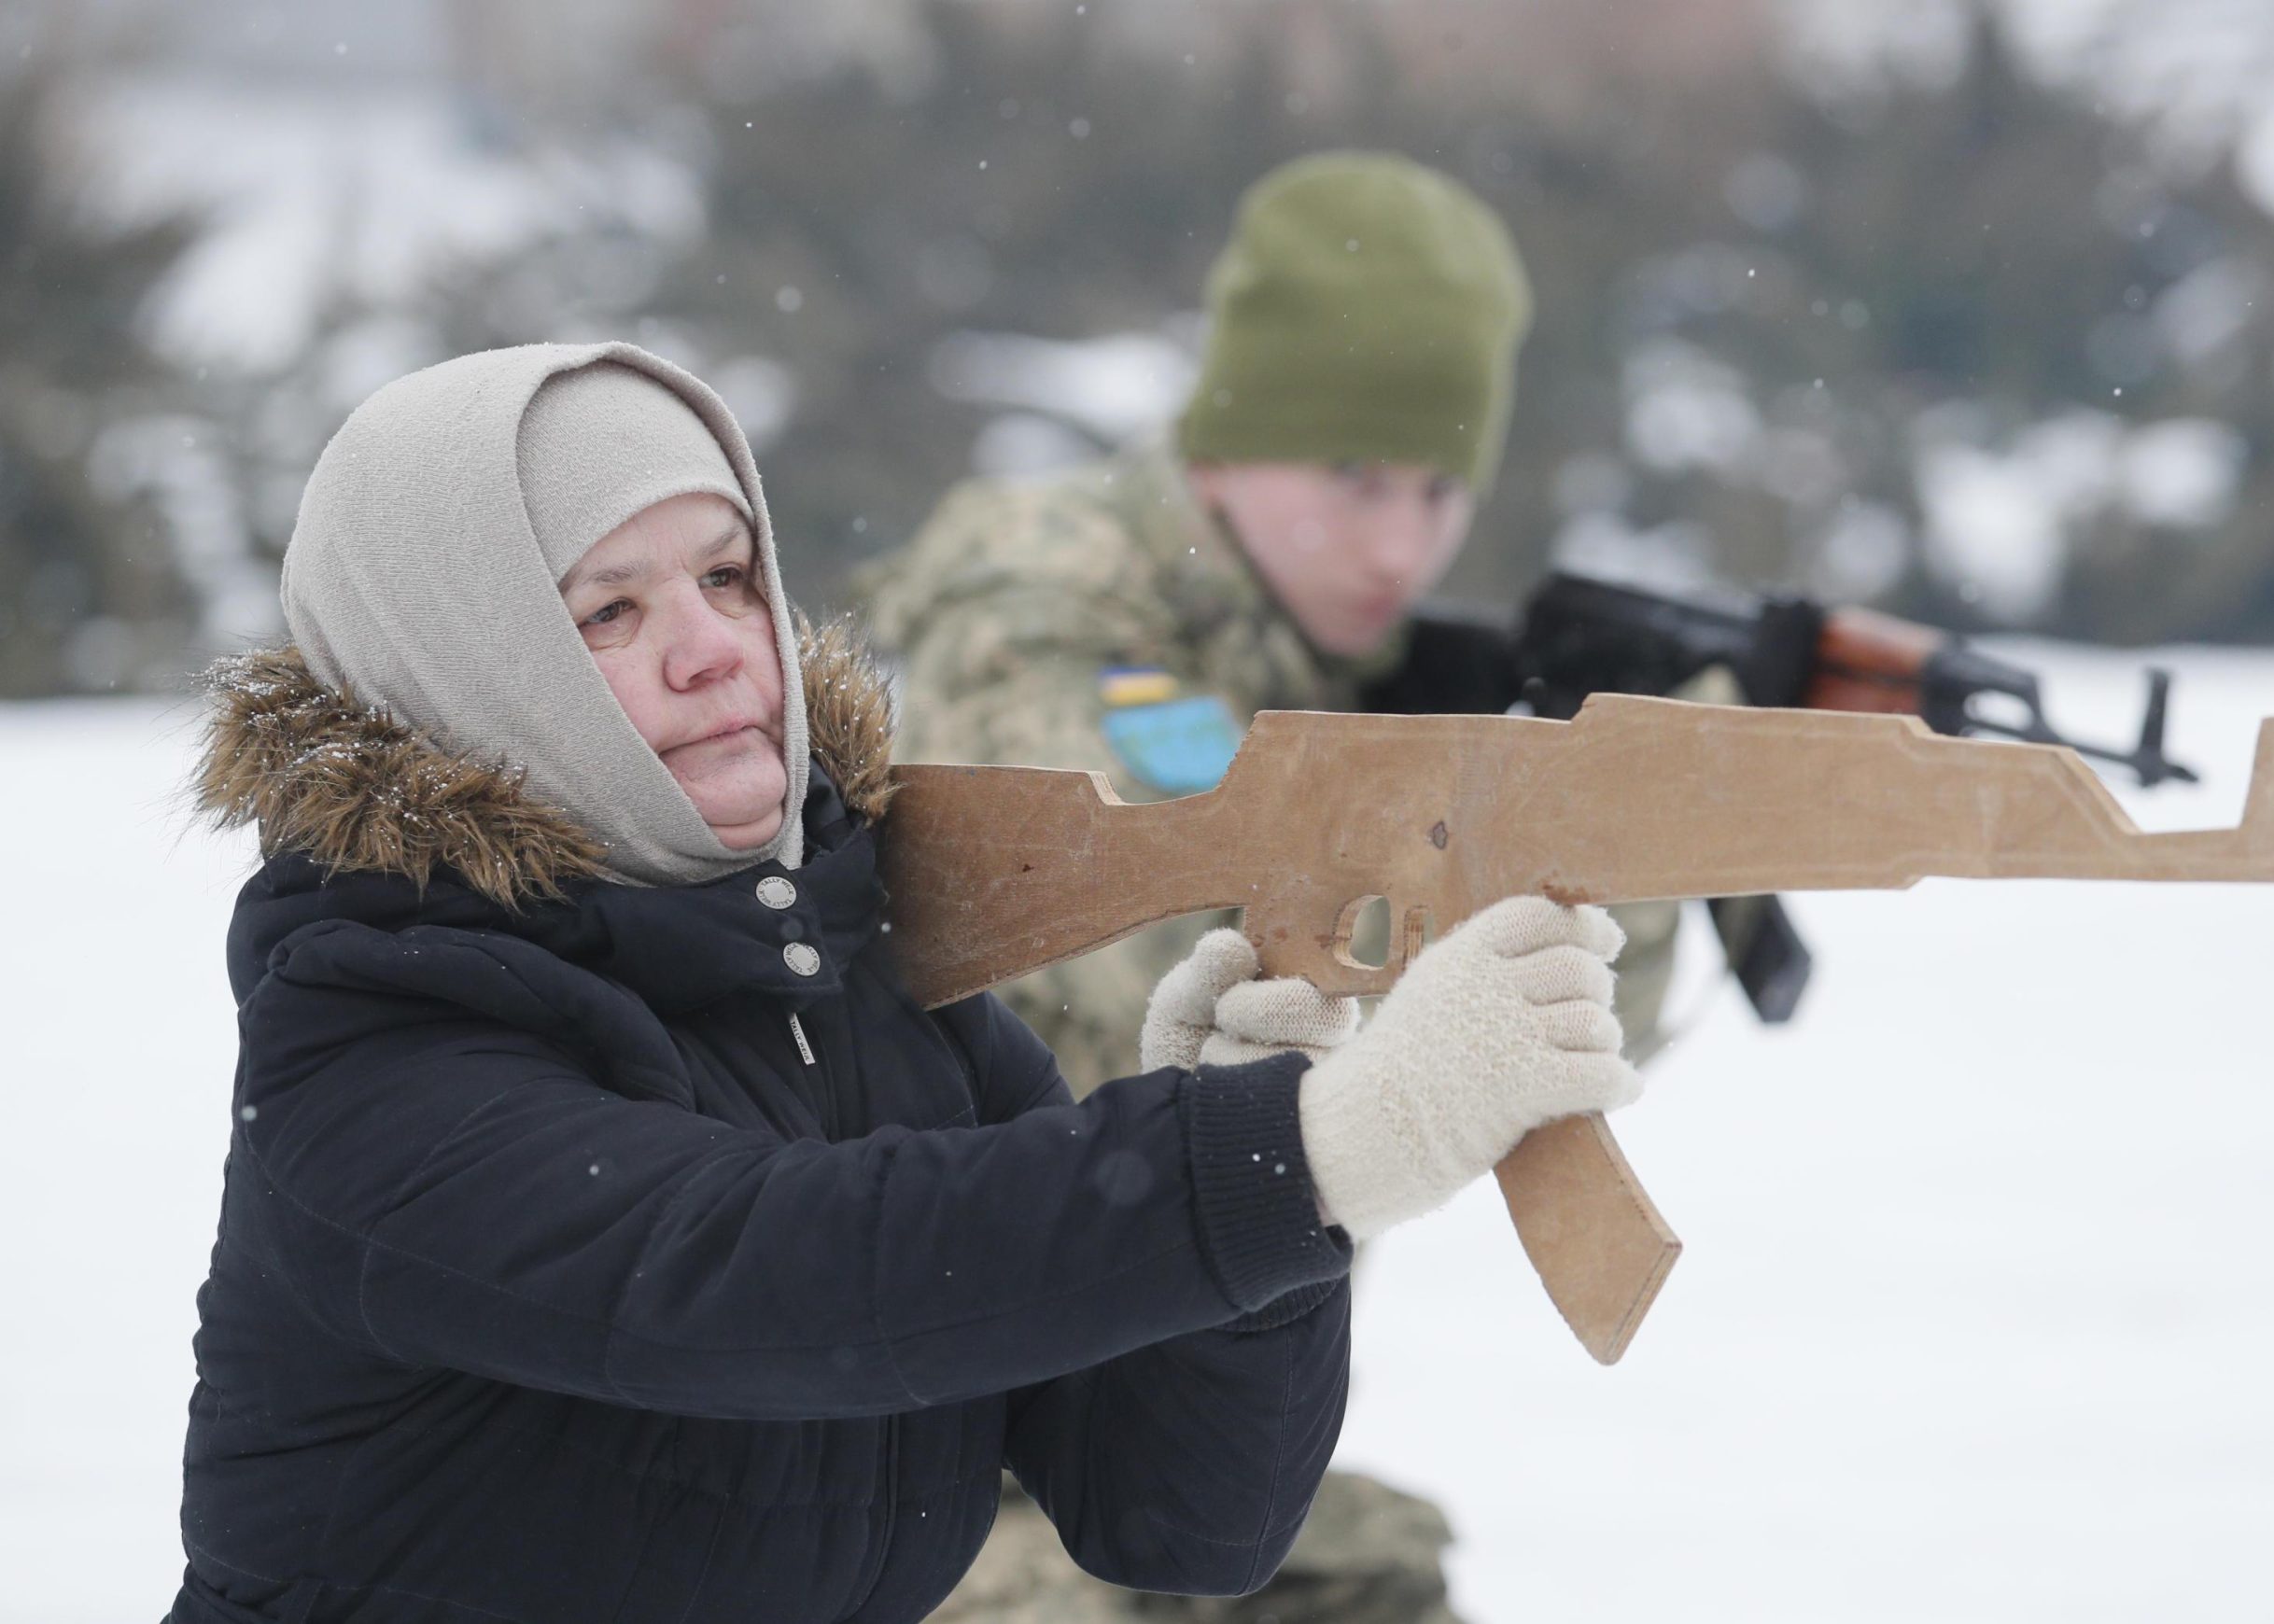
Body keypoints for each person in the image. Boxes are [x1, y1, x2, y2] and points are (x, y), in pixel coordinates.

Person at [175, 340, 1643, 1623]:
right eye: (606, 612)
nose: (713, 651)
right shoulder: (375, 1044)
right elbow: (758, 1275)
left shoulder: (864, 982)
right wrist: (1313, 1149)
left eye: (727, 576)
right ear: (456, 667)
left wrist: (1260, 1182)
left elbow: (1177, 1516)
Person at [871, 152, 1684, 1623]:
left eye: (1439, 489)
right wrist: (1519, 849)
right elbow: (1184, 954)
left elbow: (1549, 1053)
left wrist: (1650, 855)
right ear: (1229, 442)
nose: (1400, 544)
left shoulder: (1329, 660)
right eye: (1352, 476)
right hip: (920, 1449)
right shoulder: (1048, 601)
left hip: (1163, 1438)